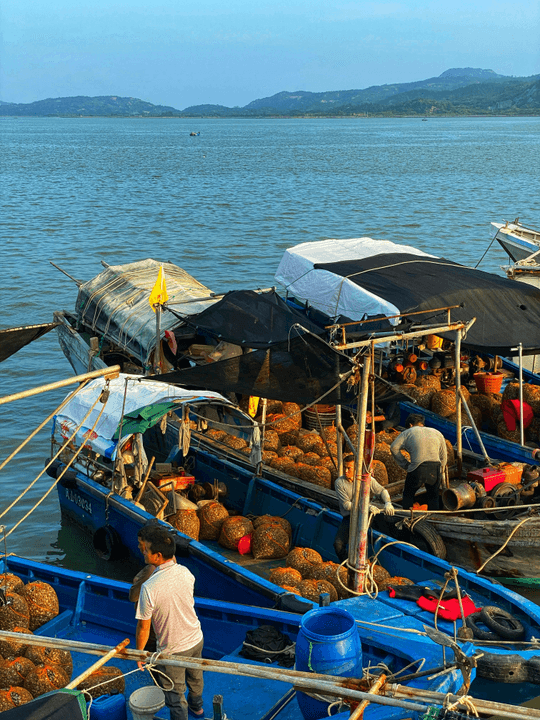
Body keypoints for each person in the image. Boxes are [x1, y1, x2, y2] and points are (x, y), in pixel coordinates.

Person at [135, 525, 204, 720]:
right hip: (196, 639)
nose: (142, 551)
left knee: (175, 693)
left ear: (157, 556)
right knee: (196, 679)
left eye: (145, 549)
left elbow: (144, 627)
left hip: (172, 649)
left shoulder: (149, 588)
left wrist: (140, 653)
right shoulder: (186, 572)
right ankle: (197, 709)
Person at [333, 455, 394, 563]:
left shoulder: (365, 479)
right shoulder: (340, 482)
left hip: (365, 515)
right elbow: (347, 505)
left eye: (349, 468)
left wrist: (388, 503)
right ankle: (348, 566)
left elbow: (381, 490)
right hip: (350, 516)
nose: (346, 471)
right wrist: (368, 506)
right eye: (345, 468)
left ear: (357, 468)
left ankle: (365, 563)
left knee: (360, 543)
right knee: (338, 544)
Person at [390, 413, 447, 511]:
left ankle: (407, 519)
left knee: (408, 494)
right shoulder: (437, 432)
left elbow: (394, 447)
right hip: (435, 467)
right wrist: (440, 469)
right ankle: (434, 519)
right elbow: (444, 456)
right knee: (433, 497)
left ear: (411, 425)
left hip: (418, 468)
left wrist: (406, 465)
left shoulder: (408, 432)